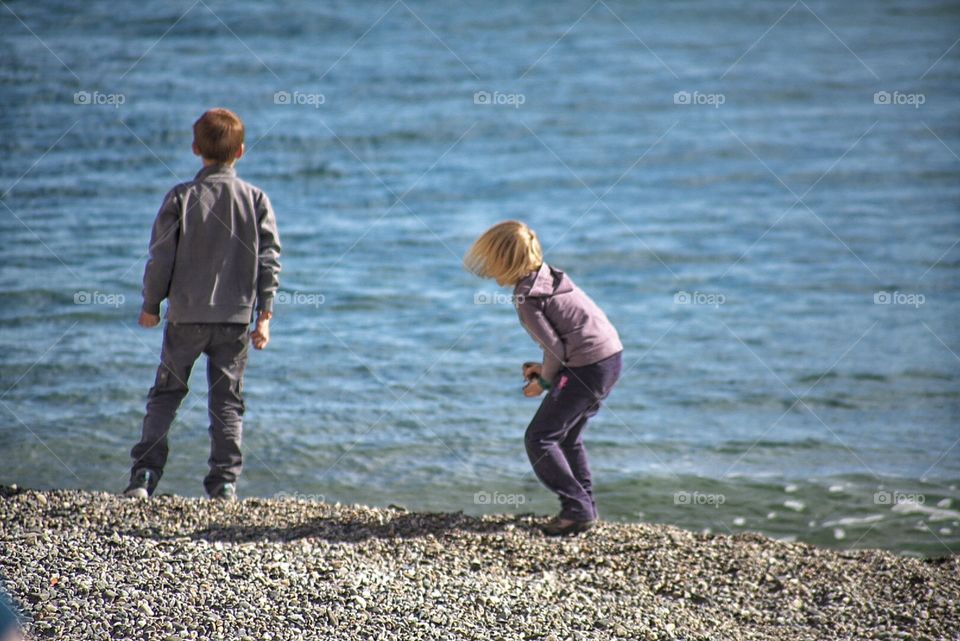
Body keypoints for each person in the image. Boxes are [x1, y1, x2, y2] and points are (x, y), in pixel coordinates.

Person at [124, 108, 281, 501]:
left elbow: (161, 258)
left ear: (196, 149)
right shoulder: (256, 199)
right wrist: (264, 316)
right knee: (227, 402)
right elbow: (269, 260)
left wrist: (150, 304)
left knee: (165, 395)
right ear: (241, 152)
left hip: (185, 318)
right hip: (234, 320)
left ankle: (144, 476)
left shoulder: (180, 197)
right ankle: (224, 483)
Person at [465, 221, 623, 536]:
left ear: (504, 261)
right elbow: (568, 339)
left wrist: (545, 382)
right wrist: (548, 368)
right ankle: (583, 508)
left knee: (540, 438)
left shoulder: (526, 298)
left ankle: (577, 507)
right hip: (609, 358)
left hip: (587, 367)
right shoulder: (550, 277)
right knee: (567, 437)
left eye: (491, 260)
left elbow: (556, 348)